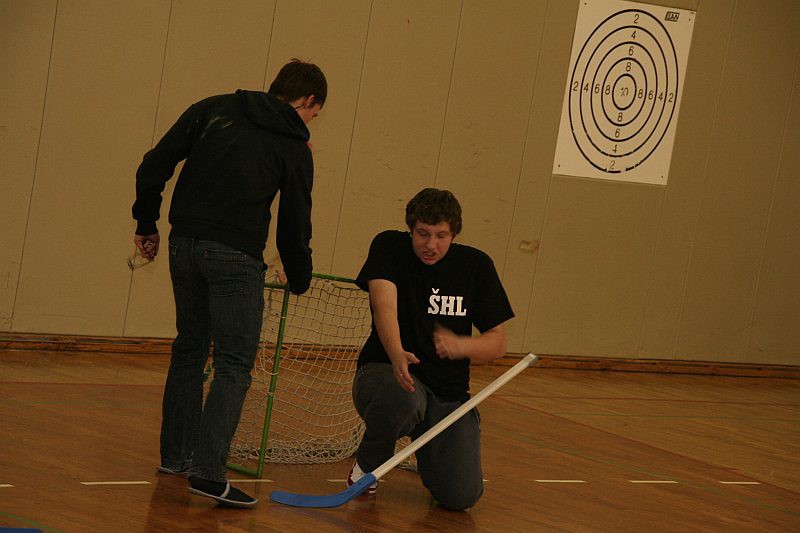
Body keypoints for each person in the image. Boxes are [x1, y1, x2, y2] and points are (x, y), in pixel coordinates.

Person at [131, 59, 326, 508]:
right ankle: (208, 472)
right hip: (235, 258)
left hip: (184, 246)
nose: (313, 121)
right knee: (234, 364)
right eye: (316, 113)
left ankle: (176, 458)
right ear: (309, 102)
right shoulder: (294, 144)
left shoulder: (214, 108)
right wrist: (299, 277)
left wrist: (147, 222)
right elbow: (295, 223)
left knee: (190, 348)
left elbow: (153, 165)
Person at [348, 187, 514, 510]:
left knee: (462, 496)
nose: (431, 245)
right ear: (410, 228)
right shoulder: (389, 246)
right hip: (387, 375)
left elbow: (498, 342)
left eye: (441, 235)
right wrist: (396, 352)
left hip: (448, 395)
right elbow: (384, 305)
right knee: (404, 397)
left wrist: (463, 345)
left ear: (454, 233)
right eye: (423, 234)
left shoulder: (476, 265)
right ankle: (365, 469)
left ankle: (433, 458)